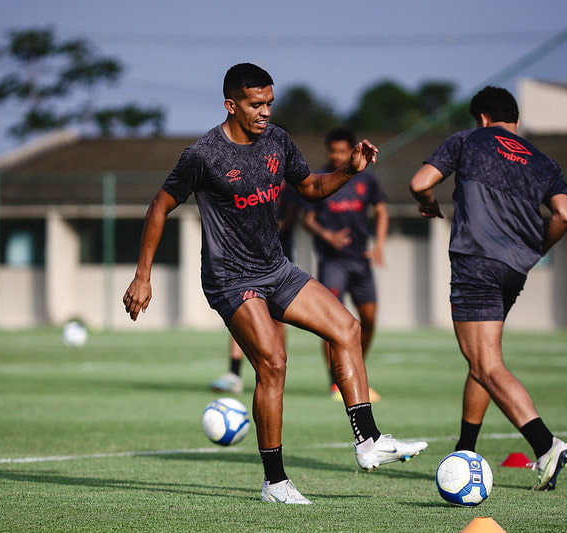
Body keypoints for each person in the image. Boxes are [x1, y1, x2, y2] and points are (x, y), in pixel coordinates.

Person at [123, 63, 427, 504]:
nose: (265, 111)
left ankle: (369, 442)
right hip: (230, 279)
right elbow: (158, 207)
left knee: (347, 328)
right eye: (255, 104)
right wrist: (142, 276)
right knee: (274, 363)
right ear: (231, 105)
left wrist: (349, 170)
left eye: (269, 102)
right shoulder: (202, 155)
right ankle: (275, 482)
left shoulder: (278, 141)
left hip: (276, 269)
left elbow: (310, 187)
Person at [409, 86, 567, 491]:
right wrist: (536, 250)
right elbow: (565, 214)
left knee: (485, 363)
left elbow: (419, 182)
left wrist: (429, 201)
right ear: (514, 120)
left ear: (481, 118)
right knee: (484, 359)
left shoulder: (468, 140)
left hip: (476, 261)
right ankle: (465, 448)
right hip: (514, 268)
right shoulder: (542, 160)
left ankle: (545, 444)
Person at [303, 128, 388, 402]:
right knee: (332, 324)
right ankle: (335, 381)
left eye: (342, 151)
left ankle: (354, 369)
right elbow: (308, 217)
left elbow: (382, 210)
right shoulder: (321, 179)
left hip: (360, 261)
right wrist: (328, 236)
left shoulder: (366, 180)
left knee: (370, 321)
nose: (337, 156)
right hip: (332, 263)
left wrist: (379, 246)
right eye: (333, 151)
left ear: (351, 151)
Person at [210, 180, 303, 396]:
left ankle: (278, 368)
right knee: (242, 311)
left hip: (279, 260)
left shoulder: (289, 190)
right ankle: (234, 374)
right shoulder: (252, 182)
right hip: (248, 260)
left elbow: (290, 218)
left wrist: (263, 228)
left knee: (278, 319)